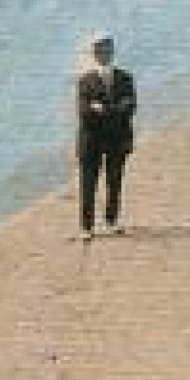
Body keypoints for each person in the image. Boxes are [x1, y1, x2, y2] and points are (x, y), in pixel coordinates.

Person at [75, 33, 137, 240]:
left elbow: (131, 107)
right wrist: (111, 109)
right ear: (93, 53)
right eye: (99, 50)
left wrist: (102, 109)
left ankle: (112, 220)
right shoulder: (85, 80)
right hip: (91, 140)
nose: (103, 53)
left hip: (117, 139)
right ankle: (86, 226)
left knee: (114, 181)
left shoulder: (125, 78)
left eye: (107, 49)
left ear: (112, 51)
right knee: (88, 183)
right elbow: (83, 111)